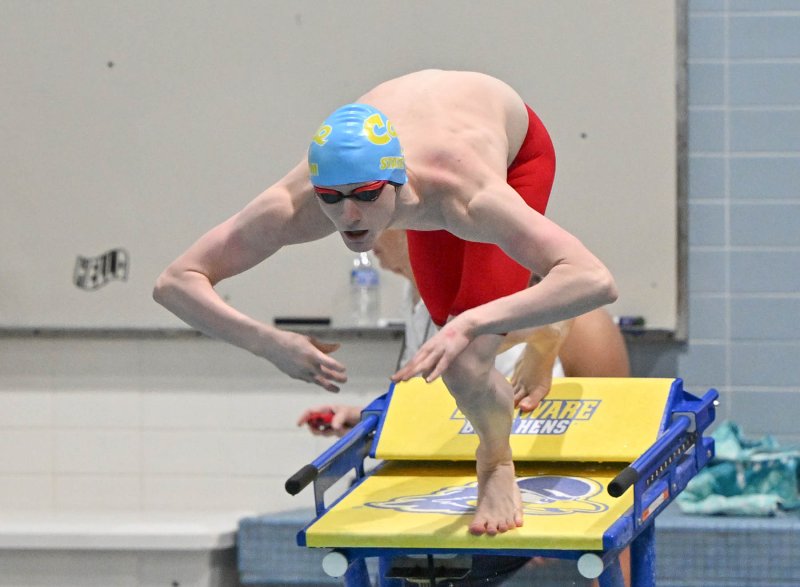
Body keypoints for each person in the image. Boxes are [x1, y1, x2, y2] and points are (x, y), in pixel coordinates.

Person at [153, 70, 617, 536]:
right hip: (426, 153)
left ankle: (496, 462)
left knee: (465, 359)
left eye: (365, 197)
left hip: (511, 149)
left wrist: (471, 324)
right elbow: (175, 282)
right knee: (447, 331)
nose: (349, 217)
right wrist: (268, 343)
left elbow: (594, 279)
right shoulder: (296, 204)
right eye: (332, 199)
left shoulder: (469, 197)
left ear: (396, 182)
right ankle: (536, 323)